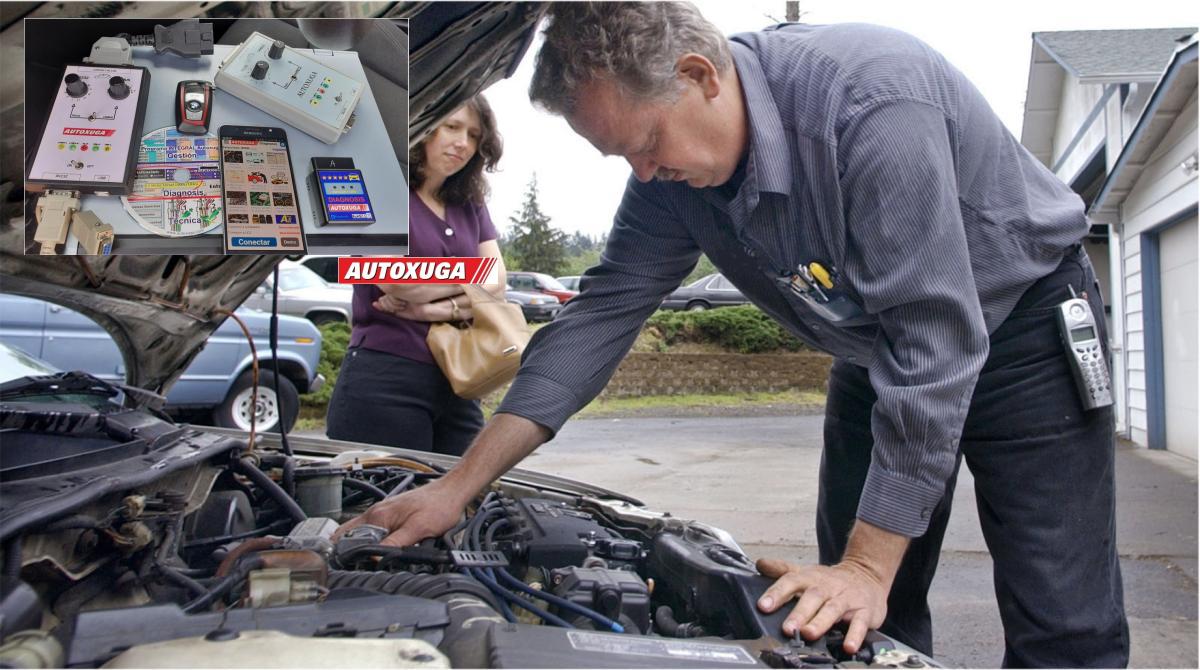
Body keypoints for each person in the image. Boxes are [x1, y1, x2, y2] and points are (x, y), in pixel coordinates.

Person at [338, 4, 1128, 666]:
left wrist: (864, 564)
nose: (643, 176)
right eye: (622, 159)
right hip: (874, 346)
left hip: (1022, 331)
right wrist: (458, 487)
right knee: (849, 623)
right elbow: (601, 313)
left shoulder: (872, 104)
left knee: (1060, 614)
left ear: (699, 77)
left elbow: (936, 342)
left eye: (646, 146)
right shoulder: (668, 180)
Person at [325, 95, 506, 456]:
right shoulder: (374, 185)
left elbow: (499, 280)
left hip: (459, 378)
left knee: (461, 502)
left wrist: (435, 309)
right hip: (385, 377)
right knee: (386, 503)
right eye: (452, 127)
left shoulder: (470, 203)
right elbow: (397, 281)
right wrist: (471, 286)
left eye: (473, 135)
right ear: (423, 127)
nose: (463, 143)